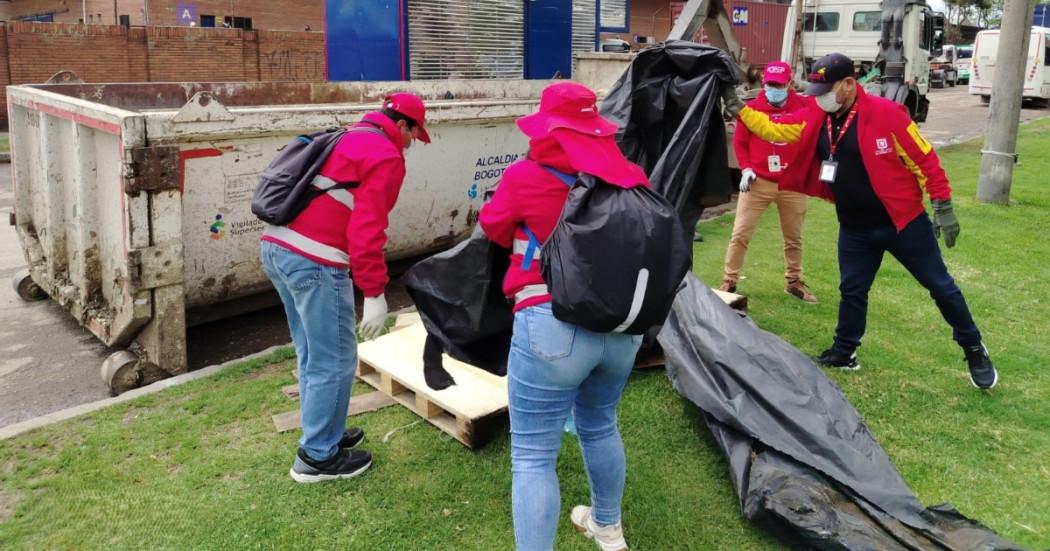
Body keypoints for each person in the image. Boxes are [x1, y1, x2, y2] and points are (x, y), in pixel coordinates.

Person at [732, 53, 998, 389]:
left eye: (826, 90)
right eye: (816, 91)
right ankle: (845, 352)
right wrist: (739, 109)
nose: (820, 98)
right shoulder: (818, 113)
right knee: (852, 290)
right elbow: (777, 129)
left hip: (902, 223)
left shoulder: (887, 114)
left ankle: (973, 348)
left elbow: (925, 159)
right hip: (855, 227)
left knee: (940, 287)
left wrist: (942, 203)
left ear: (848, 84)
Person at [479, 81, 648, 551]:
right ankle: (607, 528)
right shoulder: (633, 175)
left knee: (533, 455)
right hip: (621, 328)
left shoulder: (525, 176)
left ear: (548, 129)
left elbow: (493, 226)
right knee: (600, 423)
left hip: (550, 323)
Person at [260, 93, 431, 482]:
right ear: (401, 125)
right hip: (315, 258)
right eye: (413, 135)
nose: (412, 144)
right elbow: (367, 229)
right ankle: (317, 457)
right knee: (335, 359)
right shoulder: (386, 156)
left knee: (312, 353)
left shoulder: (347, 135)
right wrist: (374, 292)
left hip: (277, 247)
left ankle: (326, 434)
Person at [721, 61, 817, 303]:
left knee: (794, 237)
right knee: (740, 233)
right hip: (759, 181)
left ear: (789, 83)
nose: (774, 89)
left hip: (793, 182)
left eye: (779, 85)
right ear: (764, 84)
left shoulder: (804, 105)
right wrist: (746, 168)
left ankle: (794, 281)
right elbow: (740, 142)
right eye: (770, 84)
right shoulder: (752, 108)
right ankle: (729, 279)